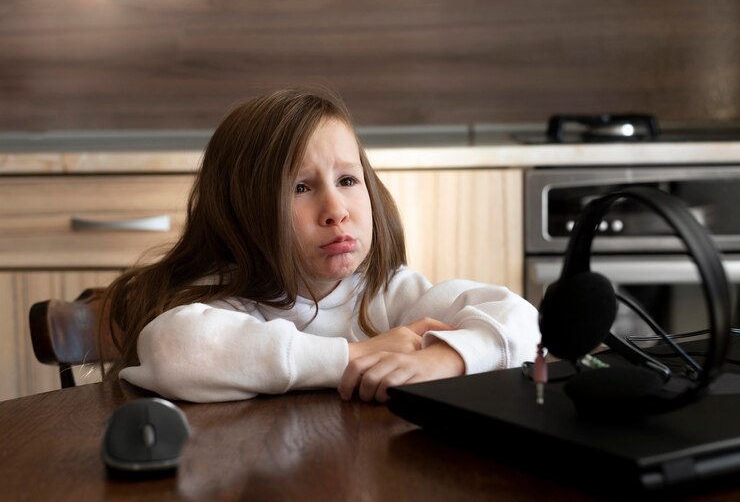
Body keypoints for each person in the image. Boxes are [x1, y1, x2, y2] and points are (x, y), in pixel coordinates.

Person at [105, 88, 539, 403]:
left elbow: (524, 322)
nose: (336, 210)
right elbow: (174, 349)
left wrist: (446, 360)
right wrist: (353, 355)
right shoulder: (228, 298)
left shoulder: (390, 294)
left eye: (348, 180)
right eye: (300, 187)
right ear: (241, 210)